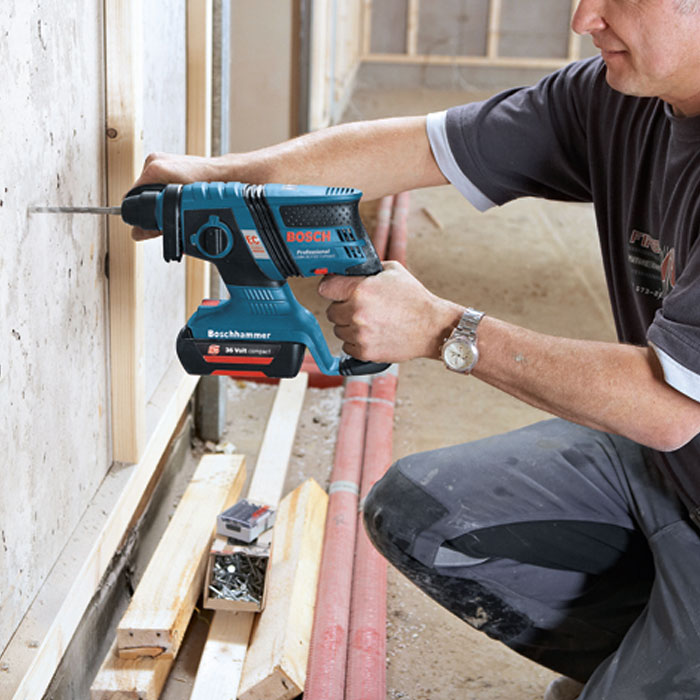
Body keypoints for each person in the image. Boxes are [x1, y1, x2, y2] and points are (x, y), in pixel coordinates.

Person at [131, 1, 700, 697]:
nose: (584, 18)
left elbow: (667, 405)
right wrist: (225, 180)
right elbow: (422, 146)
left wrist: (442, 328)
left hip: (672, 436)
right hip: (670, 473)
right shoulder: (620, 98)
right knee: (421, 511)